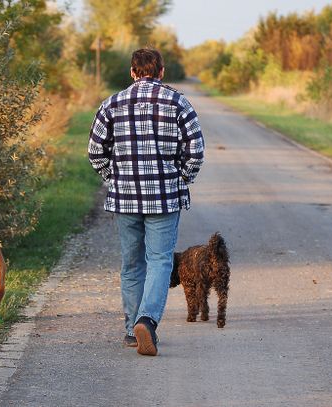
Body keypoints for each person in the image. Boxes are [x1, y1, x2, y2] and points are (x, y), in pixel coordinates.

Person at [88, 48, 204, 356]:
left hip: (125, 198)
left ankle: (131, 332)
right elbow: (196, 150)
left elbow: (95, 150)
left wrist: (113, 177)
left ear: (132, 72)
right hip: (164, 198)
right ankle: (147, 321)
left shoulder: (111, 104)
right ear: (162, 72)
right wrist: (181, 178)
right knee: (160, 261)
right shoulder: (178, 102)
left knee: (132, 263)